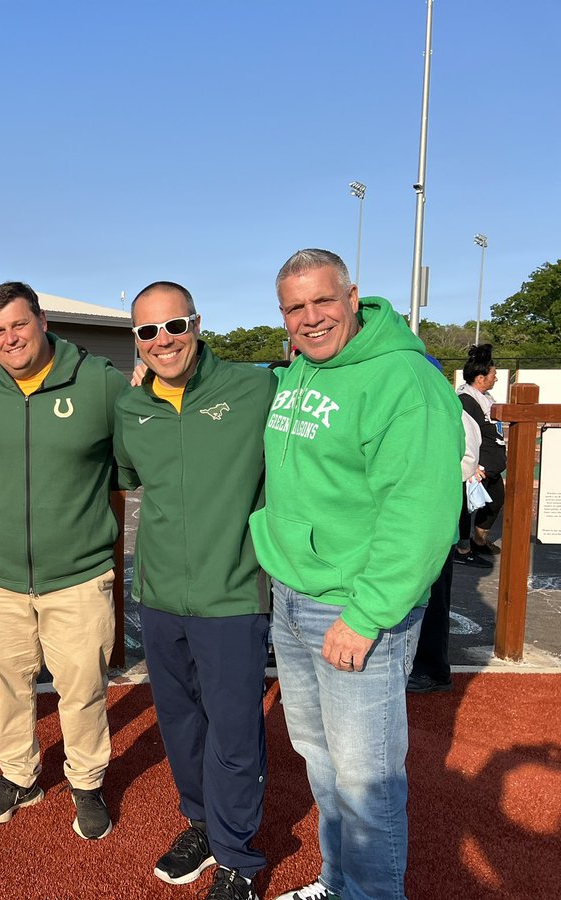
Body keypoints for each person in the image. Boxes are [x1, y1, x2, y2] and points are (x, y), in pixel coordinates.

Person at [250, 249, 462, 900]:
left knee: (366, 779)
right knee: (321, 761)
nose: (310, 318)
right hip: (293, 596)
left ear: (353, 297)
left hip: (352, 608)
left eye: (322, 301)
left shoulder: (403, 379)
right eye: (294, 307)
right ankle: (337, 882)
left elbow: (420, 513)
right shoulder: (301, 370)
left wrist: (366, 614)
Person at [0, 281, 128, 840]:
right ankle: (19, 774)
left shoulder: (98, 381)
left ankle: (88, 781)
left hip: (78, 573)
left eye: (18, 325)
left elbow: (138, 448)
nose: (9, 339)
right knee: (8, 682)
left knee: (82, 687)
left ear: (42, 321)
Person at [114, 282, 274, 900]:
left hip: (232, 594)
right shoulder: (133, 409)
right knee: (180, 723)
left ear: (197, 324)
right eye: (148, 332)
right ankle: (202, 824)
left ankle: (238, 856)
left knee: (234, 730)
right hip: (159, 596)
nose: (163, 341)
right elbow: (129, 476)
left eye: (174, 326)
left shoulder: (254, 388)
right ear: (136, 340)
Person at [409, 358, 483, 694]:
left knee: (433, 591)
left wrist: (429, 478)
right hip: (412, 511)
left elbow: (467, 462)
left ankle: (432, 669)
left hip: (434, 512)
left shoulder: (454, 411)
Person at [453, 343, 505, 566]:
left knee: (495, 501)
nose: (496, 378)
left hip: (489, 466)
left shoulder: (486, 398)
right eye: (493, 374)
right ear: (480, 377)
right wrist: (472, 465)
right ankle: (462, 549)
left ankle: (479, 541)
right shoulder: (466, 400)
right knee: (464, 507)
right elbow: (464, 433)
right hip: (476, 467)